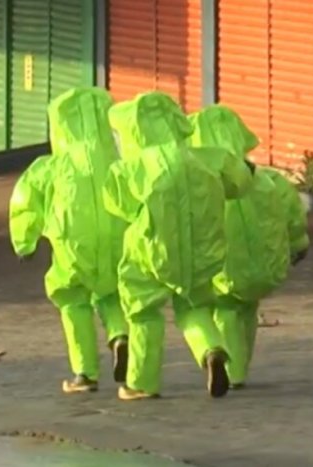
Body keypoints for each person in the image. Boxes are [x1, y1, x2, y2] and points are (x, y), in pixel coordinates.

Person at [103, 91, 253, 400]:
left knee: (143, 312)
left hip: (151, 250)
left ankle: (141, 382)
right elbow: (240, 183)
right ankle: (212, 348)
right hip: (202, 250)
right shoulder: (208, 157)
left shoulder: (132, 167)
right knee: (195, 307)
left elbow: (120, 205)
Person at [8, 87, 130, 394]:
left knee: (73, 299)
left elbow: (26, 201)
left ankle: (84, 373)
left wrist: (25, 242)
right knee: (111, 292)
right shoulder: (119, 162)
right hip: (117, 238)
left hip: (72, 242)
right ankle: (119, 335)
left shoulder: (51, 167)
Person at [187, 104, 308, 388]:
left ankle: (230, 370)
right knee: (248, 310)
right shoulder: (269, 179)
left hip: (222, 266)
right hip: (263, 266)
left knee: (225, 309)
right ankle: (240, 366)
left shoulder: (202, 182)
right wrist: (299, 244)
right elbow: (294, 216)